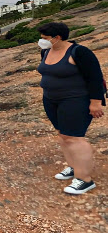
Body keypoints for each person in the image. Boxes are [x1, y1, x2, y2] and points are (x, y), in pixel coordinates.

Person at [36, 22, 105, 195]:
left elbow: (95, 77)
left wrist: (96, 102)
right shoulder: (46, 51)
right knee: (63, 135)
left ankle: (85, 180)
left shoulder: (80, 52)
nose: (41, 41)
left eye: (44, 38)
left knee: (74, 138)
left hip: (75, 99)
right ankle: (74, 167)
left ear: (57, 38)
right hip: (51, 99)